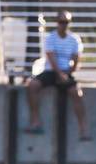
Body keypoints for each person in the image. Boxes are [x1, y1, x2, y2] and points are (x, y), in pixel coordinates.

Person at [24, 9, 91, 140]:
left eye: (66, 22)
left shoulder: (74, 39)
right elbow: (51, 58)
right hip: (51, 71)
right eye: (61, 22)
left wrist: (68, 73)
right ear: (57, 22)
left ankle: (83, 129)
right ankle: (36, 121)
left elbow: (77, 60)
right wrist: (59, 74)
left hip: (66, 72)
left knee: (76, 93)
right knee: (32, 85)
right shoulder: (51, 38)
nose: (64, 25)